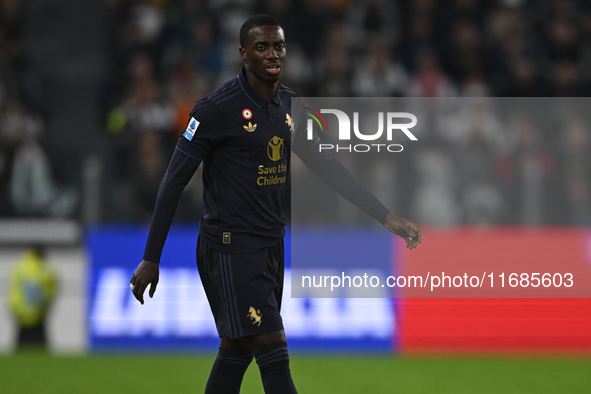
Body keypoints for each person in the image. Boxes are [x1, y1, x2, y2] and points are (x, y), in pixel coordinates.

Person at [130, 14, 422, 394]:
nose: (273, 54)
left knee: (237, 350)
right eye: (262, 47)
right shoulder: (215, 109)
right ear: (243, 54)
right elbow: (173, 181)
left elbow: (328, 167)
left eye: (279, 46)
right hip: (229, 246)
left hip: (270, 244)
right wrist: (152, 257)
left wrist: (385, 216)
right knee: (272, 346)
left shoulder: (291, 105)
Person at [9, 246, 57, 350]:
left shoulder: (20, 266)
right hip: (38, 313)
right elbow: (51, 289)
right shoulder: (44, 269)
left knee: (20, 348)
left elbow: (14, 289)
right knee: (40, 349)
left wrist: (14, 307)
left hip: (21, 313)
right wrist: (47, 305)